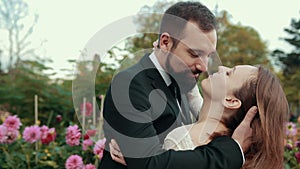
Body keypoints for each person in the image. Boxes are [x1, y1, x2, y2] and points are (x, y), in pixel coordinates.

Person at [98, 2, 257, 169]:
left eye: (208, 56)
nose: (204, 66)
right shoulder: (130, 84)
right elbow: (150, 164)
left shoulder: (181, 81)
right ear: (166, 42)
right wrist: (230, 152)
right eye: (195, 53)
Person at [163, 65, 289, 169]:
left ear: (231, 101)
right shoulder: (235, 152)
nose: (221, 68)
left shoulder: (181, 139)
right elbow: (201, 106)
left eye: (229, 73)